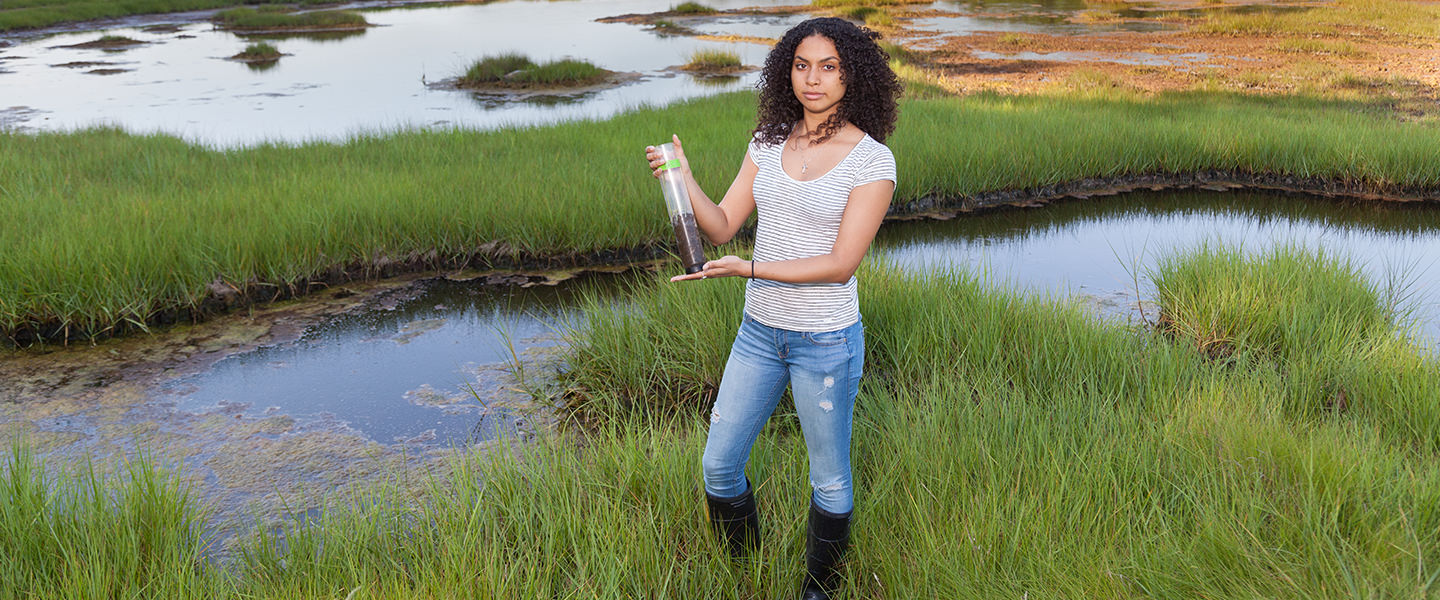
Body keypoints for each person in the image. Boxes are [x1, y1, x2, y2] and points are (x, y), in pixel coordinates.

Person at [644, 17, 902, 600]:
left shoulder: (872, 161)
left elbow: (840, 265)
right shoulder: (767, 141)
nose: (813, 79)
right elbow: (722, 225)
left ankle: (819, 591)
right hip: (758, 332)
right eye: (802, 64)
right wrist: (682, 180)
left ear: (852, 75)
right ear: (788, 69)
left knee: (829, 478)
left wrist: (750, 268)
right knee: (719, 465)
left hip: (825, 340)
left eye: (829, 67)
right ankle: (745, 571)